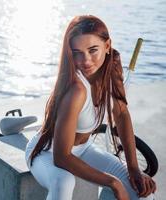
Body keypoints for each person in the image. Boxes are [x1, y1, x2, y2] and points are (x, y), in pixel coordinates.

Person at [25, 15, 156, 200]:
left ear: (107, 46)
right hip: (46, 152)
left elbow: (121, 114)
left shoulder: (112, 68)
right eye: (77, 52)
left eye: (93, 50)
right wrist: (113, 183)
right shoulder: (77, 91)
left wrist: (133, 168)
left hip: (84, 149)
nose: (85, 61)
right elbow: (61, 157)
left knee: (142, 192)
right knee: (63, 181)